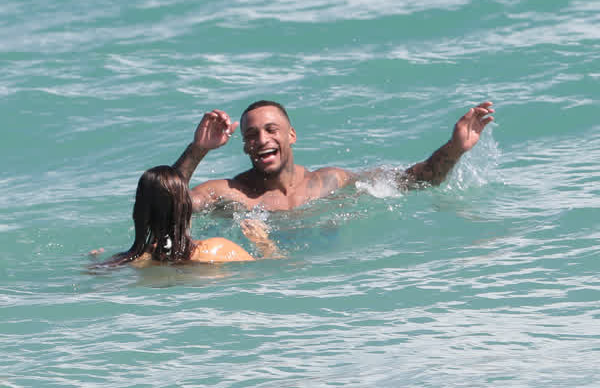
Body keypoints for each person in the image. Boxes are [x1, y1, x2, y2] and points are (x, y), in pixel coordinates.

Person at [173, 100, 495, 212]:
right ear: (244, 146)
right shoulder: (231, 194)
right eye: (251, 135)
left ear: (291, 135)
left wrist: (454, 148)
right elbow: (167, 204)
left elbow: (418, 180)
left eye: (271, 130)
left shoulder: (330, 181)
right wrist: (198, 149)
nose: (261, 140)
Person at [96, 165, 261, 267]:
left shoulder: (131, 261)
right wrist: (262, 243)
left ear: (139, 213)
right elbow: (261, 270)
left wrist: (95, 260)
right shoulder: (217, 249)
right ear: (187, 209)